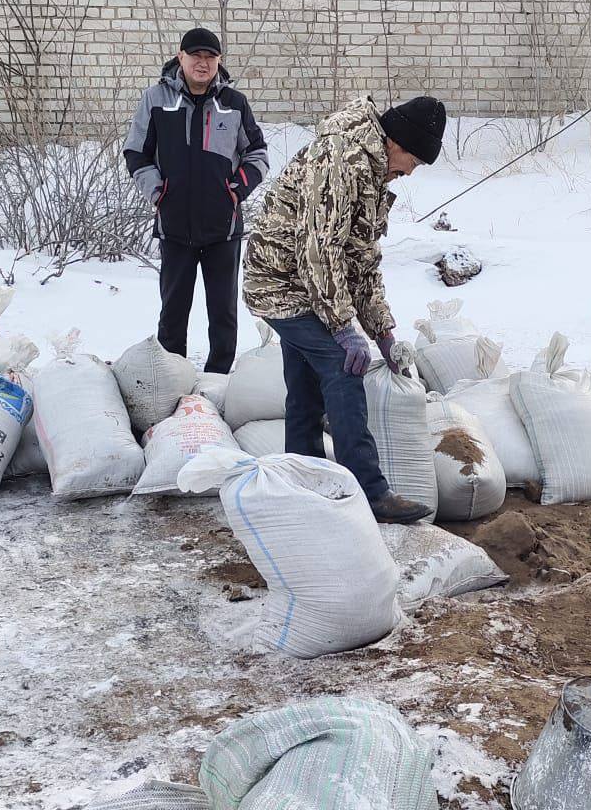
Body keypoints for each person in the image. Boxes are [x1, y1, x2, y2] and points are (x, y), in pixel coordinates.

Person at [243, 96, 447, 524]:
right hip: (280, 282)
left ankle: (303, 482)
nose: (410, 173)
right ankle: (371, 492)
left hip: (307, 283)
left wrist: (382, 330)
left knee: (305, 386)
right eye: (413, 161)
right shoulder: (340, 157)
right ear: (396, 142)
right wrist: (343, 327)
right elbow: (319, 249)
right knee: (343, 364)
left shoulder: (371, 169)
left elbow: (361, 260)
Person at [124, 28, 269, 374]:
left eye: (210, 57)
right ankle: (172, 378)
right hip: (175, 227)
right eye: (195, 56)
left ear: (219, 61)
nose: (202, 63)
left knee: (223, 315)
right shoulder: (156, 99)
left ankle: (217, 381)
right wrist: (158, 193)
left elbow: (258, 153)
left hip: (223, 229)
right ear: (181, 57)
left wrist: (236, 190)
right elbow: (136, 152)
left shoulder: (233, 103)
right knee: (173, 313)